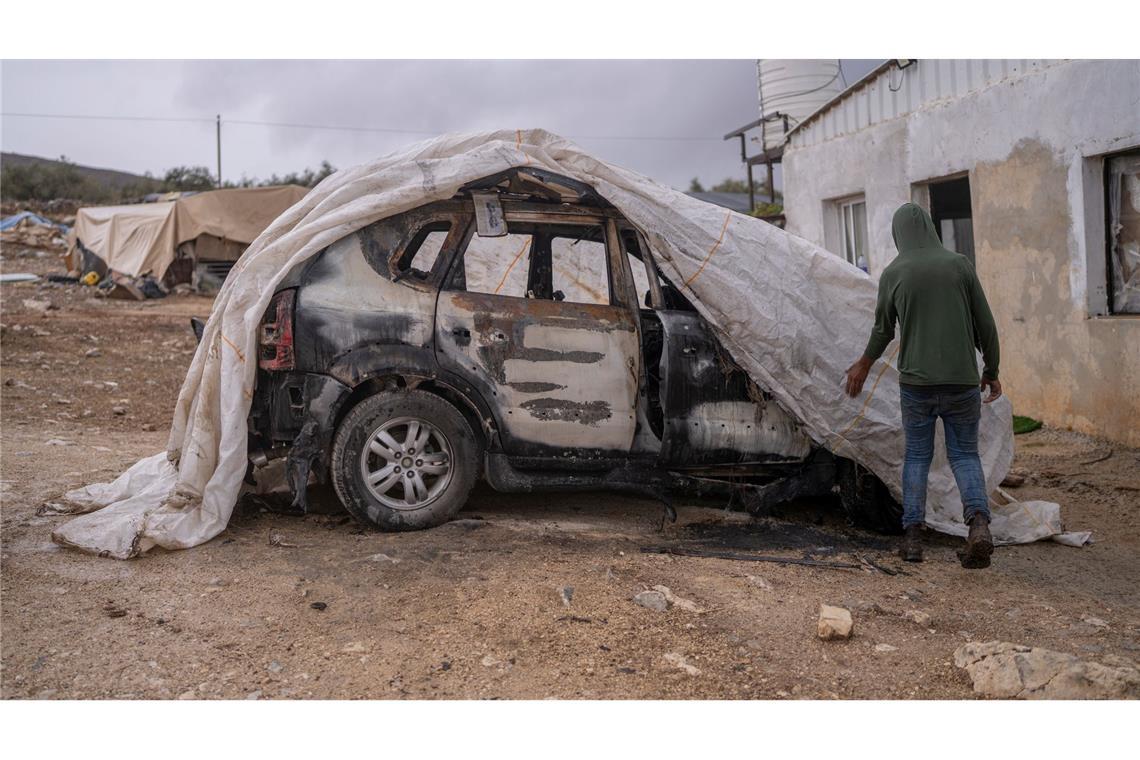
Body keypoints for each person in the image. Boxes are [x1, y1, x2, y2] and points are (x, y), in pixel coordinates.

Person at [844, 203, 1002, 569]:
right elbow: (986, 324)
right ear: (930, 228)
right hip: (963, 381)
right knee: (964, 455)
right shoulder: (959, 264)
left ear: (899, 235)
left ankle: (912, 538)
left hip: (916, 385)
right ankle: (978, 525)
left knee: (917, 456)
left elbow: (883, 330)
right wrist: (991, 368)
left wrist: (864, 365)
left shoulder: (894, 273)